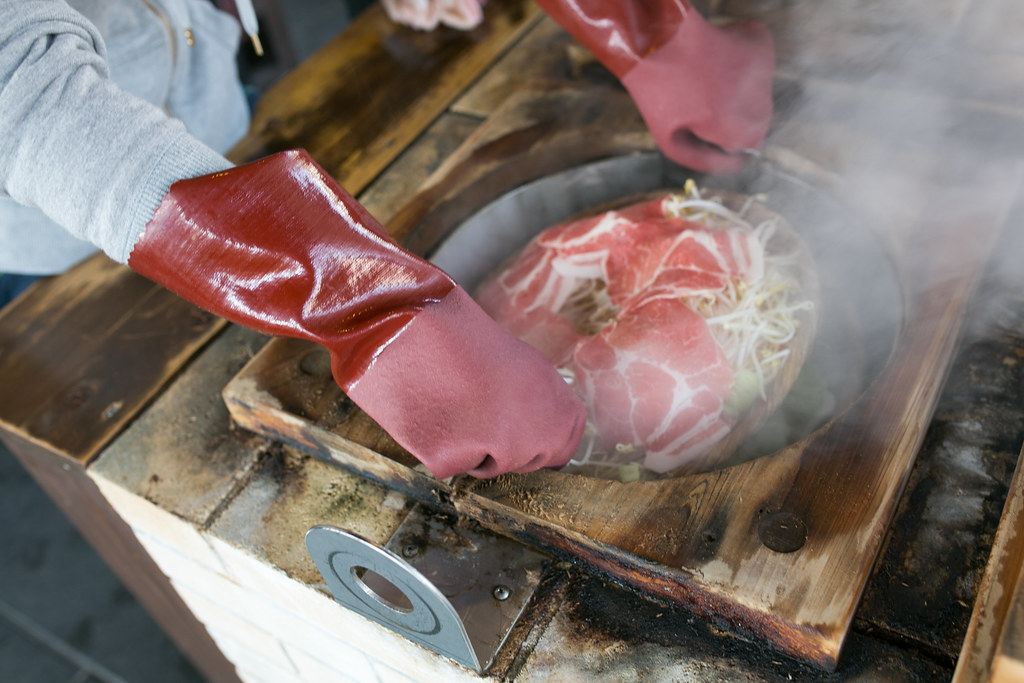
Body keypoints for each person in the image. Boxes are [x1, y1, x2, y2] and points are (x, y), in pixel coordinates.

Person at [1, 0, 773, 479]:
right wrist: (369, 309)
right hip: (60, 224)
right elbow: (25, 98)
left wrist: (640, 25)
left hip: (207, 80)